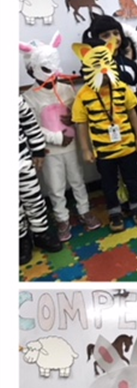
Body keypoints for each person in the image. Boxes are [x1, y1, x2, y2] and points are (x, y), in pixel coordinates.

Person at [20, 32, 99, 243]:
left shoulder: (66, 88)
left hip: (72, 147)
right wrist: (56, 137)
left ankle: (84, 210)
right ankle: (62, 218)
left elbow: (78, 113)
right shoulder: (29, 97)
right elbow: (32, 127)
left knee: (77, 180)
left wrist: (73, 117)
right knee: (55, 187)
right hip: (50, 151)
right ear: (31, 70)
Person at [71, 41, 137, 233]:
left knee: (132, 178)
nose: (104, 71)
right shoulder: (83, 95)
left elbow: (132, 112)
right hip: (103, 150)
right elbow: (81, 123)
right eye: (98, 66)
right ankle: (114, 211)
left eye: (106, 64)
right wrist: (86, 149)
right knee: (109, 184)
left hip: (127, 145)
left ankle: (136, 206)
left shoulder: (121, 87)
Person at [18, 95, 62, 263]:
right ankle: (21, 238)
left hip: (21, 160)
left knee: (33, 199)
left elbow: (28, 120)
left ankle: (40, 232)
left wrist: (37, 149)